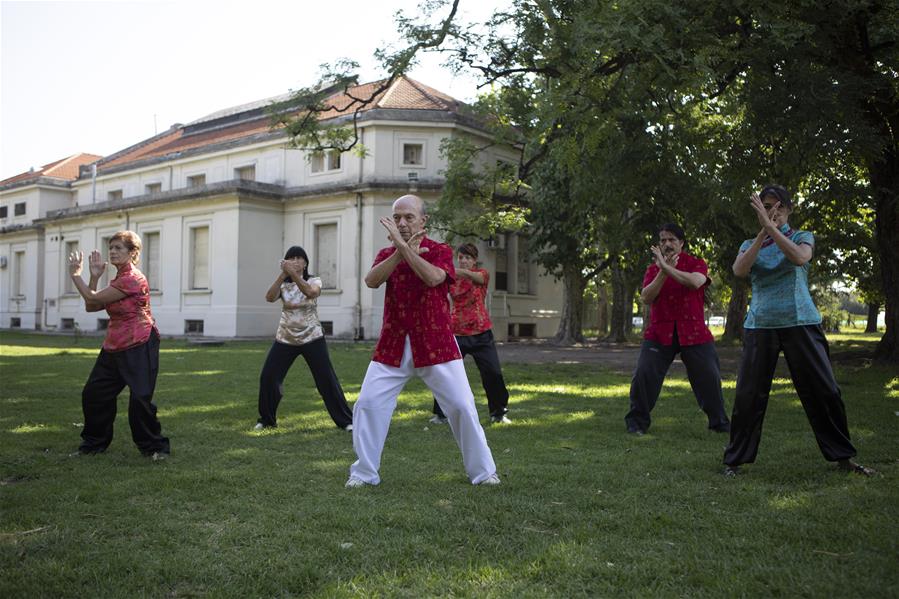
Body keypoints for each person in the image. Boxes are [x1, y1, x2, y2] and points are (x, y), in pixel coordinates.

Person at [345, 195, 500, 487]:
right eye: (397, 217)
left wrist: (405, 249)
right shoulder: (385, 254)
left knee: (462, 406)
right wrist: (400, 251)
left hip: (436, 343)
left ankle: (483, 472)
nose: (402, 223)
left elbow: (433, 278)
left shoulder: (440, 251)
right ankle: (364, 474)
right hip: (392, 344)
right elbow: (371, 280)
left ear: (423, 221)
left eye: (408, 217)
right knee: (366, 404)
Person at [723, 185, 874, 476]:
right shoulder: (747, 243)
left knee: (824, 391)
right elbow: (740, 270)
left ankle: (843, 458)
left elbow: (799, 258)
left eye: (778, 206)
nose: (773, 211)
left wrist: (773, 229)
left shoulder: (802, 237)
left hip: (801, 322)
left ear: (789, 209)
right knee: (748, 395)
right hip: (760, 325)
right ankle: (734, 461)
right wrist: (763, 233)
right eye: (766, 206)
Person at [67, 231, 170, 459]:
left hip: (139, 343)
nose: (112, 251)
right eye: (111, 247)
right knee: (94, 394)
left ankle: (155, 448)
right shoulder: (118, 279)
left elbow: (92, 300)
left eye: (118, 248)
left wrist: (76, 276)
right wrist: (94, 277)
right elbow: (92, 307)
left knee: (139, 401)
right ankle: (94, 444)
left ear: (133, 253)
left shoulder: (133, 278)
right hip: (114, 344)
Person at [624, 224, 730, 435]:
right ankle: (637, 424)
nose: (667, 244)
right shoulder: (653, 270)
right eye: (662, 240)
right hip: (660, 331)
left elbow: (694, 283)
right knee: (644, 374)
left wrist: (667, 268)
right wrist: (662, 271)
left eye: (672, 239)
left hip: (693, 330)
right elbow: (646, 297)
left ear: (681, 243)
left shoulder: (696, 263)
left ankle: (719, 423)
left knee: (708, 375)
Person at [255, 246, 353, 431]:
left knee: (326, 380)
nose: (296, 261)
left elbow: (311, 293)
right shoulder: (283, 284)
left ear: (306, 263)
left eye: (300, 258)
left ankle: (347, 421)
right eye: (291, 258)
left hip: (312, 337)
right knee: (269, 377)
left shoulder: (314, 280)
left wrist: (295, 275)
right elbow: (269, 297)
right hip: (285, 337)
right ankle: (266, 420)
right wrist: (282, 276)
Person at [429, 243, 511, 425]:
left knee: (493, 373)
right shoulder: (450, 278)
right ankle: (441, 413)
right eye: (461, 257)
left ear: (474, 260)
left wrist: (451, 270)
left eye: (467, 258)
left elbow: (473, 277)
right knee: (447, 374)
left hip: (482, 334)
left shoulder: (481, 274)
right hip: (456, 334)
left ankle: (498, 412)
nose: (464, 261)